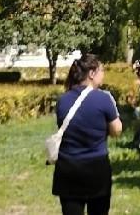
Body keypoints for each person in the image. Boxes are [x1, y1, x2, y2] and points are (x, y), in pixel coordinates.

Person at [52, 53, 122, 215]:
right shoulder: (104, 99)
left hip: (68, 170)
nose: (103, 74)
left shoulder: (63, 100)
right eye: (101, 70)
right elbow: (117, 130)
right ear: (91, 74)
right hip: (96, 169)